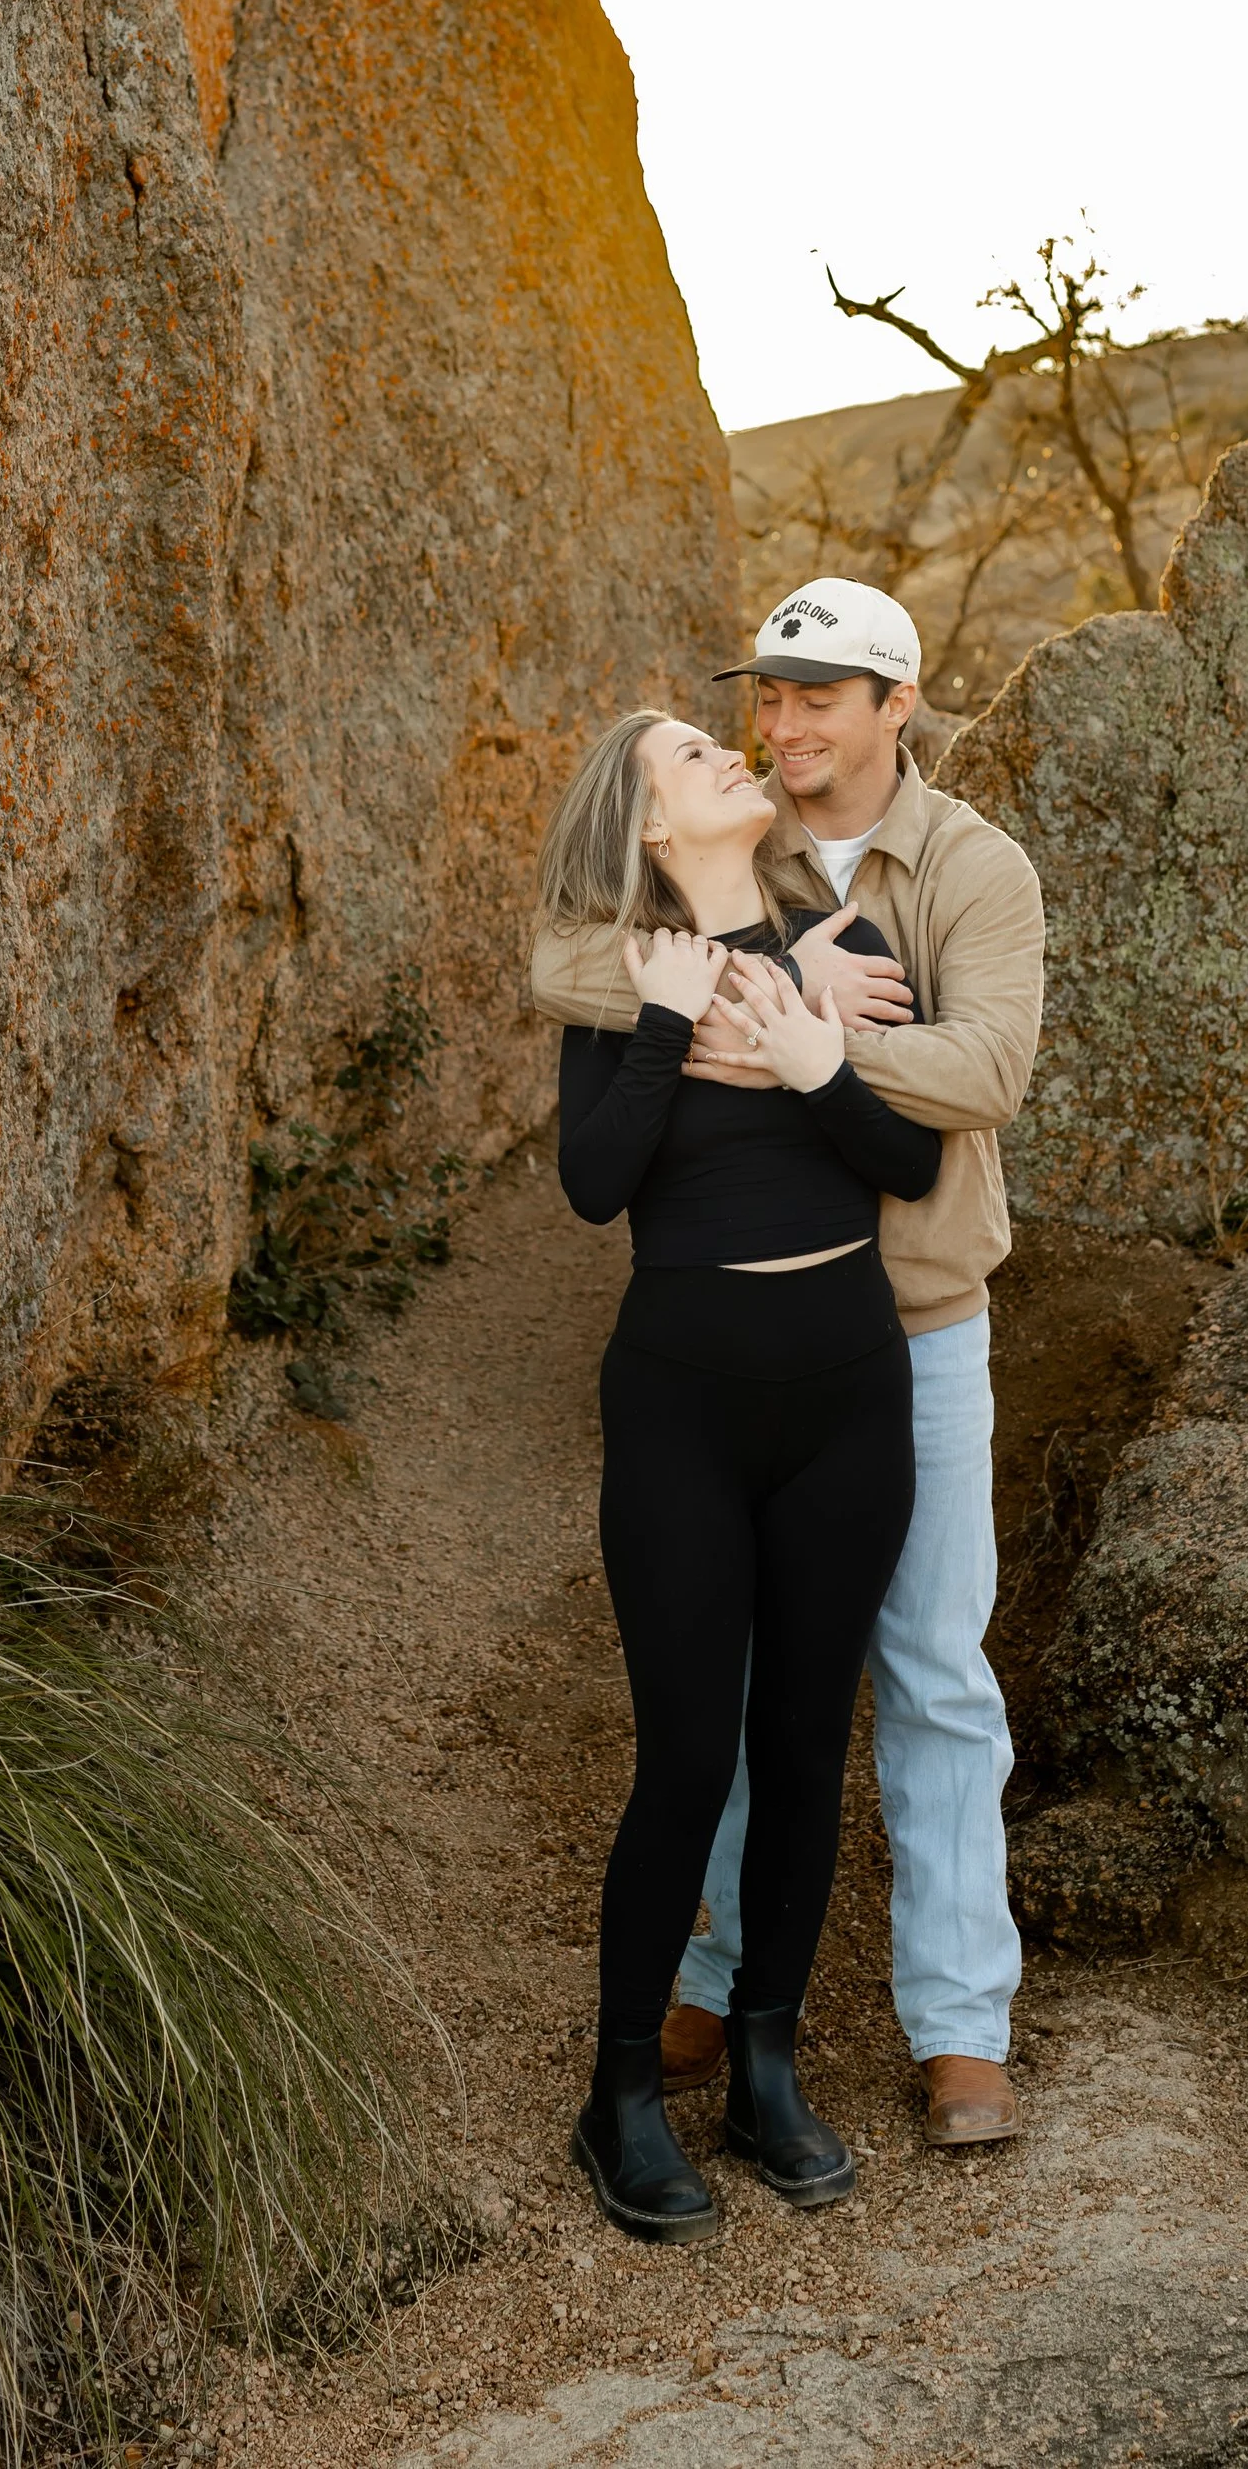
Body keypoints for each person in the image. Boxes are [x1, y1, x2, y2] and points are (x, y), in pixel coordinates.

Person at [532, 578, 1044, 2151]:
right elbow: (568, 953)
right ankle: (712, 1972)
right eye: (768, 693)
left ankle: (960, 2030)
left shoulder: (967, 867)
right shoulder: (721, 863)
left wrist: (818, 1039)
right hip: (735, 1335)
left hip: (912, 1323)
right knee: (733, 1688)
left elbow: (987, 1068)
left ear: (901, 705)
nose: (787, 721)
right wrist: (719, 984)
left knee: (929, 1669)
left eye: (824, 694)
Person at [540, 704, 945, 2243]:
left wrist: (811, 1060)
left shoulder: (830, 939)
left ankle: (768, 2061)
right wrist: (665, 1023)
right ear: (650, 828)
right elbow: (593, 1188)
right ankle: (622, 2096)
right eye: (692, 759)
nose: (730, 758)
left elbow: (907, 1165)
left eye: (726, 744)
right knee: (688, 1756)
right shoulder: (619, 974)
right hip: (682, 1416)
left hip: (848, 1399)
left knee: (805, 1746)